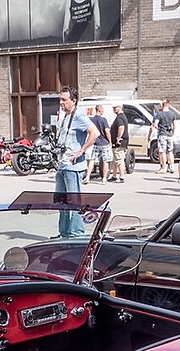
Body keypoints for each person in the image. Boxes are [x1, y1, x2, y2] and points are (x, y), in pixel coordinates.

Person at [53, 86, 99, 239]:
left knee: (74, 201)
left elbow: (95, 133)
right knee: (61, 201)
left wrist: (81, 151)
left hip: (73, 166)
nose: (61, 102)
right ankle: (64, 232)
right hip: (63, 164)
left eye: (64, 100)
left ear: (73, 101)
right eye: (60, 99)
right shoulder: (66, 116)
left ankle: (77, 233)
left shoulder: (79, 116)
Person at [152, 99, 180, 173]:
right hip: (170, 134)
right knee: (170, 151)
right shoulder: (172, 114)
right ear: (168, 105)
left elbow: (155, 124)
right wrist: (173, 132)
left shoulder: (159, 114)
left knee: (162, 151)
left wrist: (158, 128)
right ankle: (172, 167)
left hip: (162, 134)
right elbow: (174, 125)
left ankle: (163, 168)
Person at [87, 103, 111, 184]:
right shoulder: (103, 120)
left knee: (92, 160)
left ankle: (87, 177)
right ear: (99, 110)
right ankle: (104, 178)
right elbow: (107, 131)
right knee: (105, 161)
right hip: (104, 143)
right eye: (103, 109)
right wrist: (110, 141)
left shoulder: (91, 120)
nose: (103, 111)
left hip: (95, 143)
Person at [108, 104, 128, 183]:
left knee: (119, 160)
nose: (114, 109)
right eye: (113, 108)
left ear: (120, 107)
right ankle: (114, 175)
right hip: (119, 142)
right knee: (115, 160)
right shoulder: (121, 116)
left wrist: (118, 138)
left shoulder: (120, 117)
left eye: (115, 107)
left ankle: (122, 177)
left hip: (119, 143)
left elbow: (121, 127)